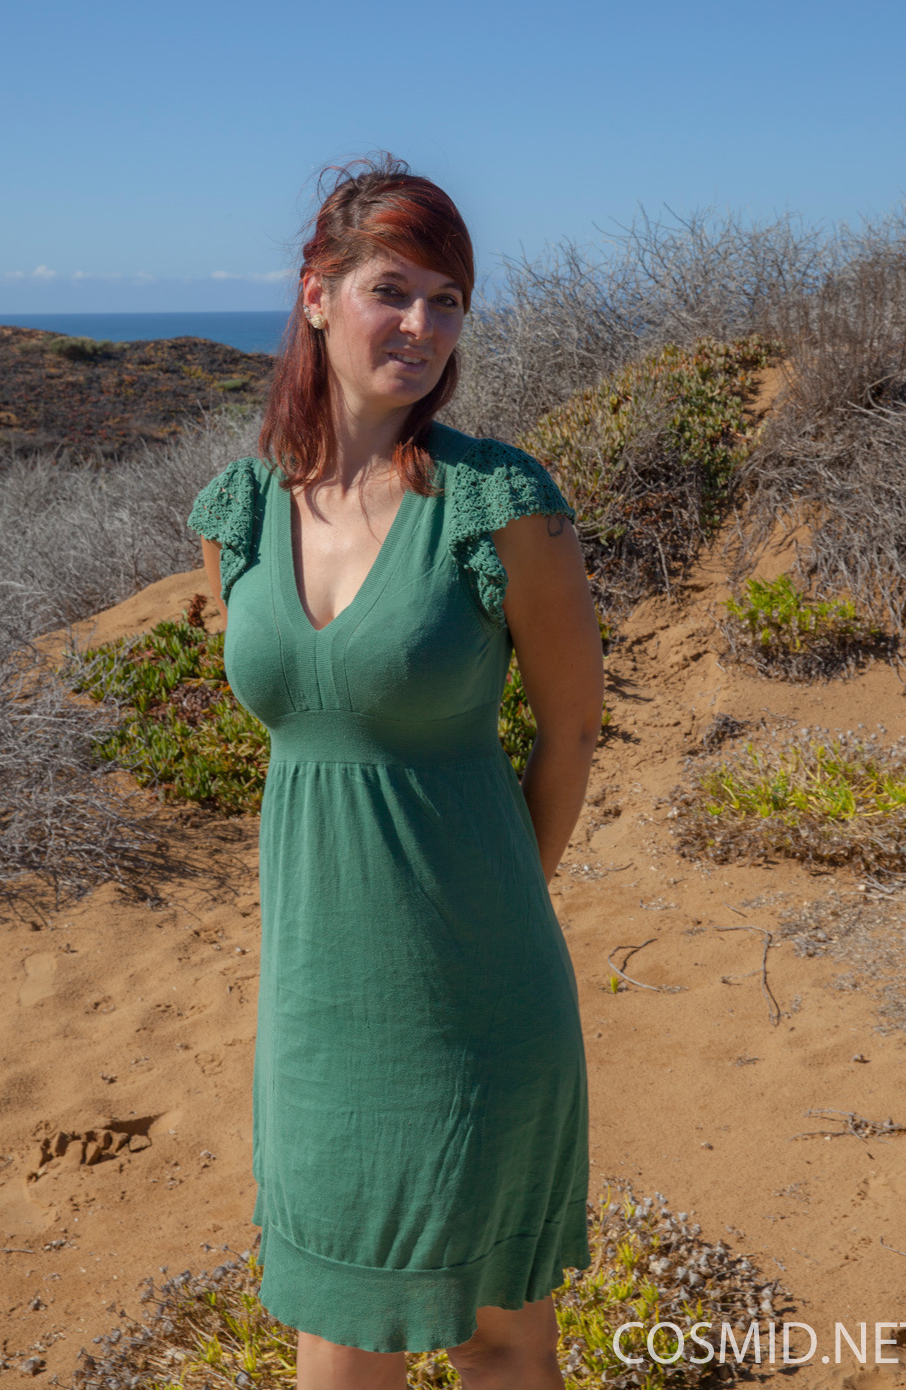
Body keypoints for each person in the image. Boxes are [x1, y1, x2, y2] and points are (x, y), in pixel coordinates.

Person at [187, 156, 604, 1390]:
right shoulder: (235, 512)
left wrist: (498, 903)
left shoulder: (496, 500)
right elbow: (296, 709)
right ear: (316, 294)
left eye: (447, 300)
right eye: (392, 290)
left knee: (499, 1334)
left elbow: (572, 729)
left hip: (479, 985)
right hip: (316, 997)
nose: (421, 325)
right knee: (337, 1330)